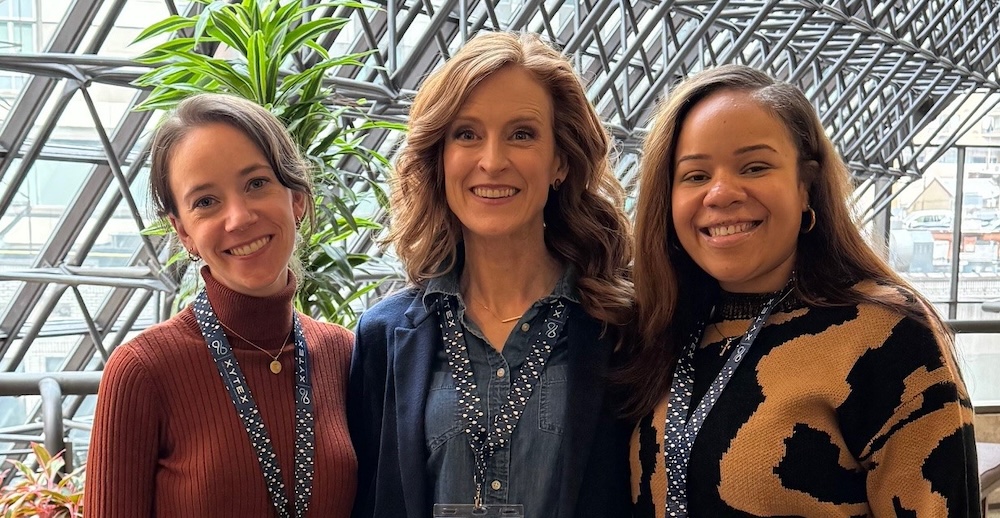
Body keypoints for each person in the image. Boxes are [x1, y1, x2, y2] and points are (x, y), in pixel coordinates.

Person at [621, 64, 980, 517]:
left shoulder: (888, 336)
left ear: (806, 186)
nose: (721, 193)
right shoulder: (656, 326)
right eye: (694, 175)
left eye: (754, 166)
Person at [348, 31, 633, 518]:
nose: (493, 161)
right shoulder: (385, 337)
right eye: (467, 134)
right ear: (440, 159)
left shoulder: (622, 329)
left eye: (522, 134)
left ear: (560, 161)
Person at [86, 93, 356, 517]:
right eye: (206, 202)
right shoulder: (143, 370)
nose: (239, 218)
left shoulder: (343, 354)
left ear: (297, 198)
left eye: (256, 183)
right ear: (184, 233)